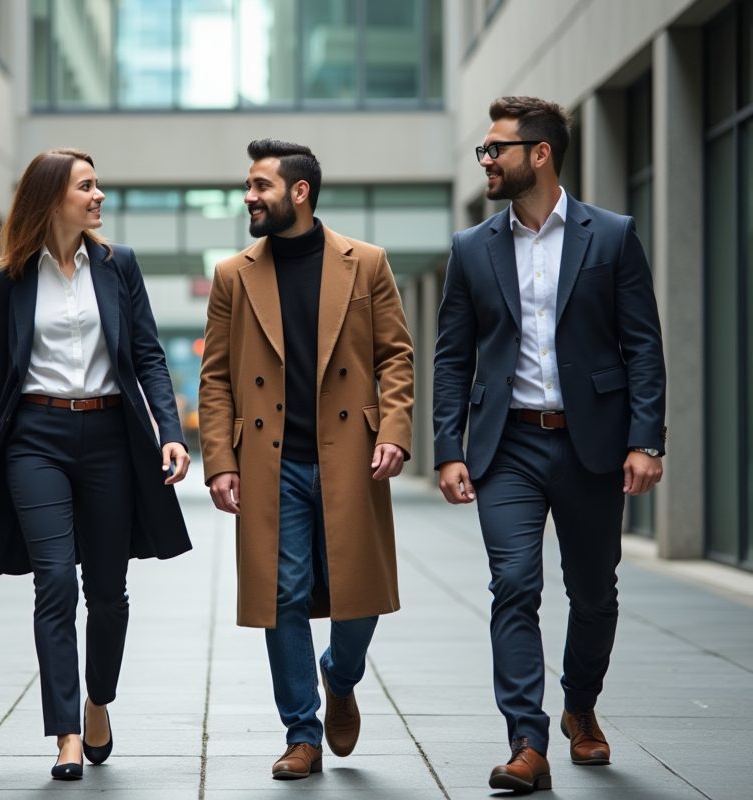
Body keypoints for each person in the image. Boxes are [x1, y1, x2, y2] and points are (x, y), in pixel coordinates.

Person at [433, 97, 667, 793]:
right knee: (513, 585)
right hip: (507, 446)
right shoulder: (471, 248)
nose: (485, 160)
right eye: (483, 149)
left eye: (495, 148)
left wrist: (645, 439)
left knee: (594, 593)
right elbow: (451, 357)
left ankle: (581, 707)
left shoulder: (613, 236)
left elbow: (643, 347)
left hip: (592, 445)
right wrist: (449, 447)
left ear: (539, 152)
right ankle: (526, 743)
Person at [0, 148, 192, 781]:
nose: (99, 196)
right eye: (87, 186)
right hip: (36, 437)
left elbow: (147, 355)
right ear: (53, 197)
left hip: (111, 435)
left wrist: (169, 430)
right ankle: (66, 736)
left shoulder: (117, 265)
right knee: (53, 580)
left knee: (107, 592)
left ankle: (98, 700)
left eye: (98, 185)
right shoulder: (11, 276)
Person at [198, 139, 414, 780]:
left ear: (299, 191)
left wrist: (395, 429)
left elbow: (395, 354)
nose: (249, 197)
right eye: (247, 185)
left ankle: (339, 675)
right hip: (270, 461)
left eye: (260, 185)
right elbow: (214, 378)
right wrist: (220, 459)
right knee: (282, 594)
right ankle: (302, 732)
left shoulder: (365, 263)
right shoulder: (233, 273)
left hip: (350, 452)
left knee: (361, 596)